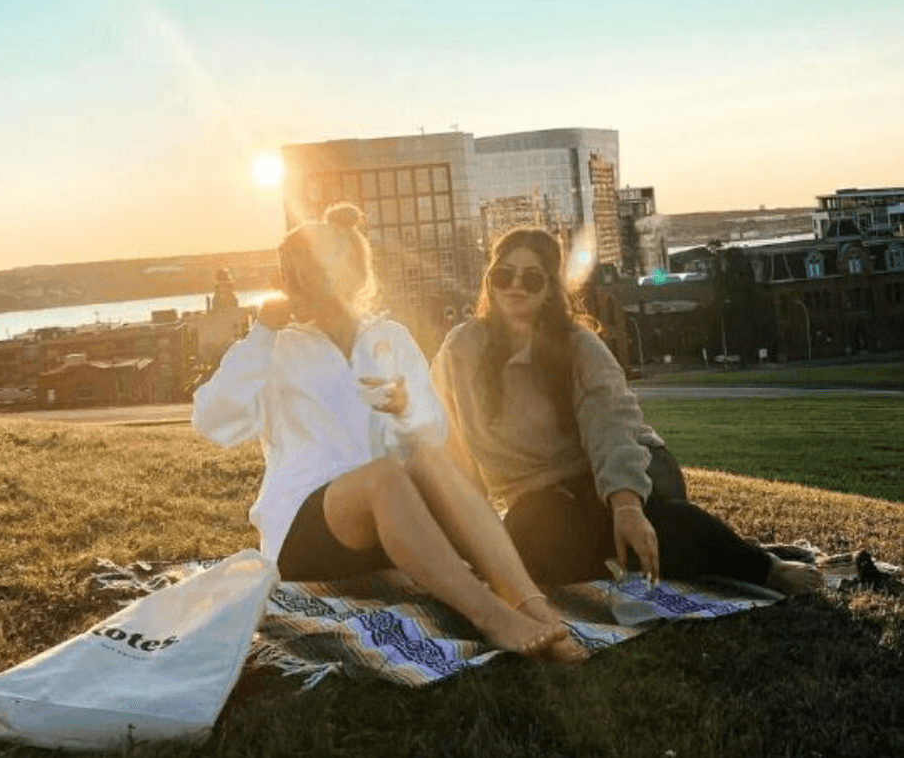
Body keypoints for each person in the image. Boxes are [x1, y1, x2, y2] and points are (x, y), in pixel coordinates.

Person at [192, 204, 587, 661]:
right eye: (286, 275)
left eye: (306, 274)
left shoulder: (390, 338)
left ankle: (535, 607)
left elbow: (433, 433)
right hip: (307, 531)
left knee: (425, 462)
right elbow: (211, 421)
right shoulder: (275, 345)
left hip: (394, 528)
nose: (293, 286)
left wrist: (405, 410)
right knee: (384, 476)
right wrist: (261, 333)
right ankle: (493, 618)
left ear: (346, 275)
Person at [431, 226, 824, 595]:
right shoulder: (459, 350)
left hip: (631, 472)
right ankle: (620, 552)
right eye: (504, 275)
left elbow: (611, 426)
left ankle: (762, 566)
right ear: (490, 280)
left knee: (654, 529)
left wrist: (626, 506)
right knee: (531, 545)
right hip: (544, 496)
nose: (515, 286)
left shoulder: (578, 347)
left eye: (531, 278)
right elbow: (439, 434)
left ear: (550, 289)